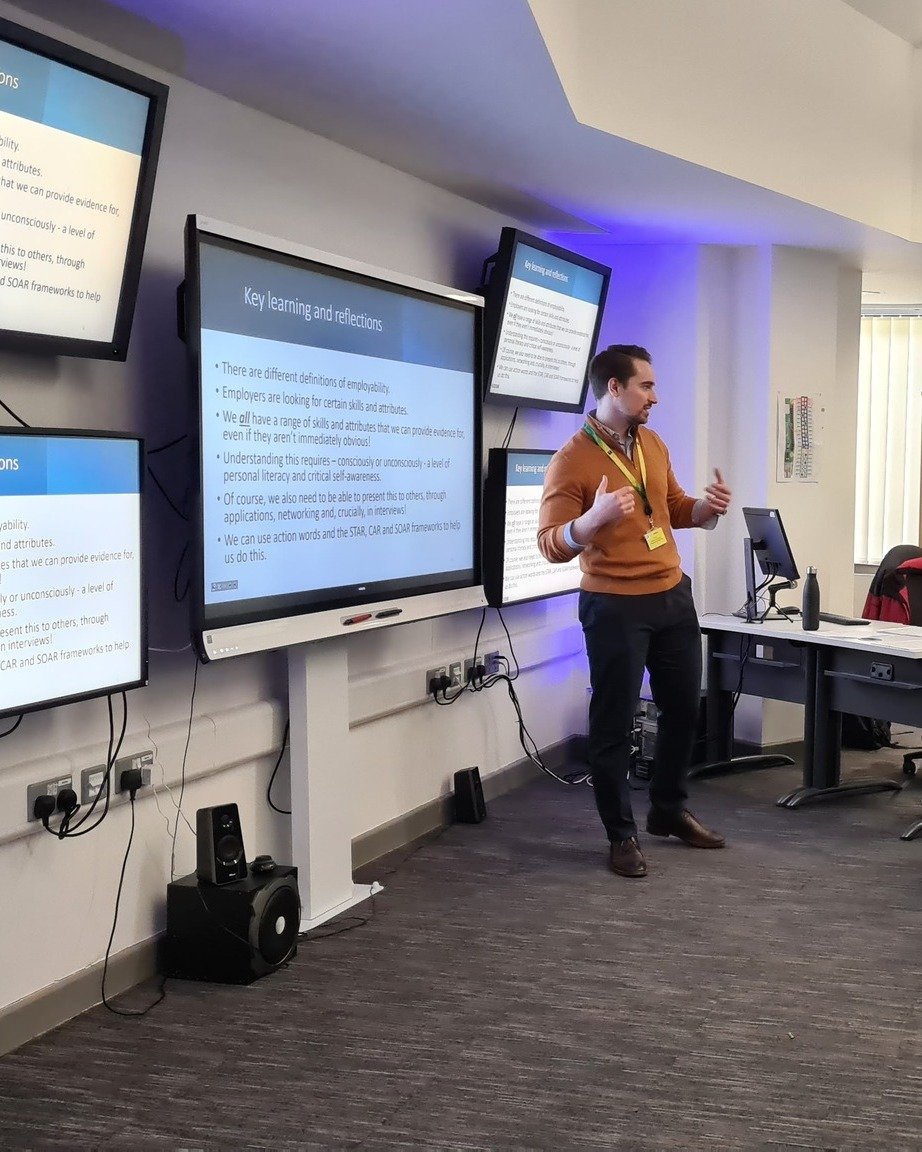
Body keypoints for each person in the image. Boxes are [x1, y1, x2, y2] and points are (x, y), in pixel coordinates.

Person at [537, 345, 731, 878]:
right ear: (614, 389)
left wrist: (706, 511)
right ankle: (621, 835)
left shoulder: (652, 442)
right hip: (615, 605)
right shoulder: (571, 459)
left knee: (685, 711)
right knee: (614, 724)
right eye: (645, 386)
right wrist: (590, 520)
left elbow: (669, 508)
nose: (655, 396)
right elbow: (550, 543)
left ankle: (668, 810)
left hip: (671, 594)